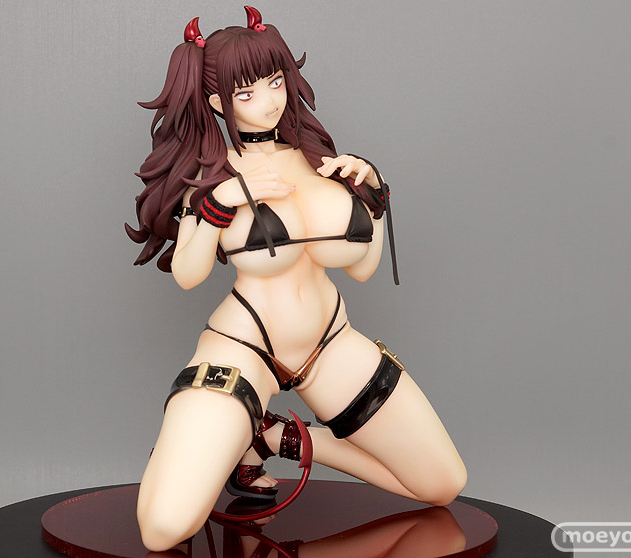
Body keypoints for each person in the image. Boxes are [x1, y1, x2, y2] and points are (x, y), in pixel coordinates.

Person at [126, 7, 466, 552]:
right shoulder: (213, 176)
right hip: (245, 346)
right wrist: (219, 203)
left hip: (331, 343)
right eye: (246, 93)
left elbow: (362, 267)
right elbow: (188, 274)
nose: (269, 101)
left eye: (275, 82)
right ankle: (202, 447)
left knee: (442, 483)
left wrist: (374, 195)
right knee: (164, 526)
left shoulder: (320, 162)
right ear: (217, 104)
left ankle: (273, 437)